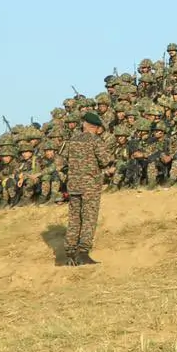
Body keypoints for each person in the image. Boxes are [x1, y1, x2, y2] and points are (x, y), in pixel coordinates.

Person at [59, 111, 112, 266]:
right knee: (88, 219)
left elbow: (61, 162)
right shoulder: (95, 141)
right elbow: (105, 160)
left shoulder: (71, 140)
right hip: (90, 186)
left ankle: (70, 254)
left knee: (74, 220)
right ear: (94, 127)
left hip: (74, 186)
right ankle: (83, 253)